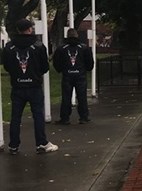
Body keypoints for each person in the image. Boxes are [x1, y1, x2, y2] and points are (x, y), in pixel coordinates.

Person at [2, 18, 58, 155]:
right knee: (38, 115)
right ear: (29, 29)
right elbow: (45, 67)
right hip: (34, 86)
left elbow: (7, 66)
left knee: (15, 117)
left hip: (17, 87)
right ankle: (41, 143)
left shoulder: (9, 47)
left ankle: (13, 145)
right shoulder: (38, 46)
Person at [53, 28, 95, 124]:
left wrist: (60, 70)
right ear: (77, 35)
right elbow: (90, 62)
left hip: (67, 75)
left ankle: (65, 118)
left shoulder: (62, 48)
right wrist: (86, 69)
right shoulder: (84, 47)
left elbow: (57, 62)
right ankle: (84, 117)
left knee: (66, 97)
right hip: (80, 75)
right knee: (82, 97)